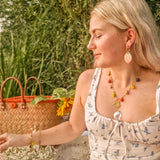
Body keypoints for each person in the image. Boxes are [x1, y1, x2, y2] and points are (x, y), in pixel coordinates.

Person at [0, 0, 160, 159]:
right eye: (91, 36)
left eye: (98, 35)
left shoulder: (157, 88)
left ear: (129, 37)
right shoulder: (88, 81)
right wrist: (23, 139)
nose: (90, 45)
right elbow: (72, 128)